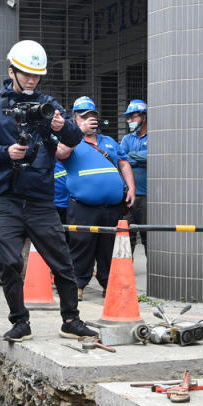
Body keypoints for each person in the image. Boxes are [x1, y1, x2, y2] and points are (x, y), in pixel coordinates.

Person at [0, 39, 96, 342]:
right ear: (11, 71)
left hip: (41, 197)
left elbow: (74, 137)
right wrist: (7, 153)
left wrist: (59, 127)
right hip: (7, 197)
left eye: (36, 75)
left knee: (63, 261)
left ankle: (71, 319)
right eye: (26, 74)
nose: (31, 80)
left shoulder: (49, 105)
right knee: (8, 260)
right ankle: (20, 321)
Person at [57, 96, 136, 300]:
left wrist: (131, 189)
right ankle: (78, 286)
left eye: (92, 116)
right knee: (81, 246)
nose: (89, 120)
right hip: (83, 206)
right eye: (83, 117)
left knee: (108, 248)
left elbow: (124, 163)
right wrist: (78, 133)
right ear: (74, 119)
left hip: (111, 206)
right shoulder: (69, 142)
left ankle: (108, 285)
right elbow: (61, 154)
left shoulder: (108, 142)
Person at [120, 99, 148, 254]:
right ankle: (125, 274)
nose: (129, 120)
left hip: (147, 196)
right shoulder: (127, 139)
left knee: (148, 237)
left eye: (133, 117)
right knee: (126, 237)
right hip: (128, 195)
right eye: (128, 117)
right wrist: (139, 159)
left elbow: (153, 156)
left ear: (144, 116)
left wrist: (132, 158)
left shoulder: (155, 136)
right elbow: (121, 160)